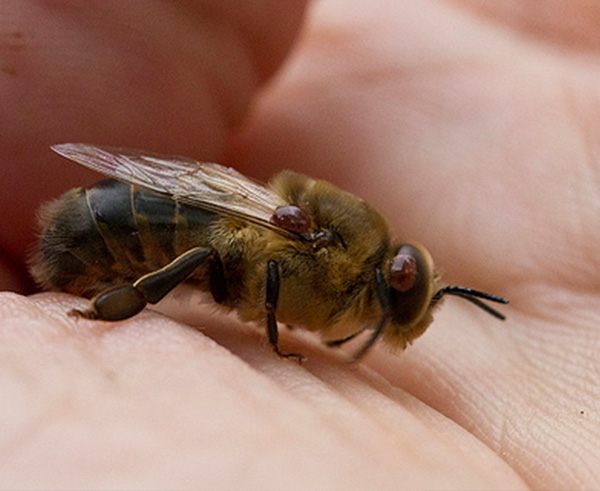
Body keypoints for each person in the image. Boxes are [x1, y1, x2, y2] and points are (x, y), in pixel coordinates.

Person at [1, 1, 598, 488]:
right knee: (208, 249)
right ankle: (110, 309)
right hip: (104, 224)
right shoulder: (321, 247)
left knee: (212, 251)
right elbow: (252, 265)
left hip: (167, 217)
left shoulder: (337, 260)